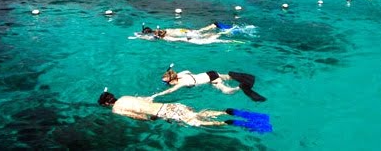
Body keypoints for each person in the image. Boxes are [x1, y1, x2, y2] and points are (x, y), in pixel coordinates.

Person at [97, 88, 272, 133]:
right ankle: (235, 113)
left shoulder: (116, 110)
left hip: (165, 114)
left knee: (202, 122)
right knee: (201, 113)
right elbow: (147, 100)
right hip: (171, 106)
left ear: (106, 104)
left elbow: (138, 117)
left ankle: (239, 123)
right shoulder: (126, 97)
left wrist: (152, 120)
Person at [152, 63, 266, 102]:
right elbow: (188, 71)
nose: (167, 85)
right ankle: (242, 77)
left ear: (173, 80)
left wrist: (154, 96)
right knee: (227, 77)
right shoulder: (182, 74)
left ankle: (239, 88)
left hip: (211, 80)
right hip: (210, 73)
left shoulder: (181, 83)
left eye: (167, 83)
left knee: (226, 91)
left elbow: (170, 91)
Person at [139, 22, 238, 44]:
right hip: (184, 31)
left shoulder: (164, 36)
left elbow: (154, 37)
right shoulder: (162, 30)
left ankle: (222, 32)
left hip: (187, 34)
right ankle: (214, 25)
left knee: (203, 35)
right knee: (200, 31)